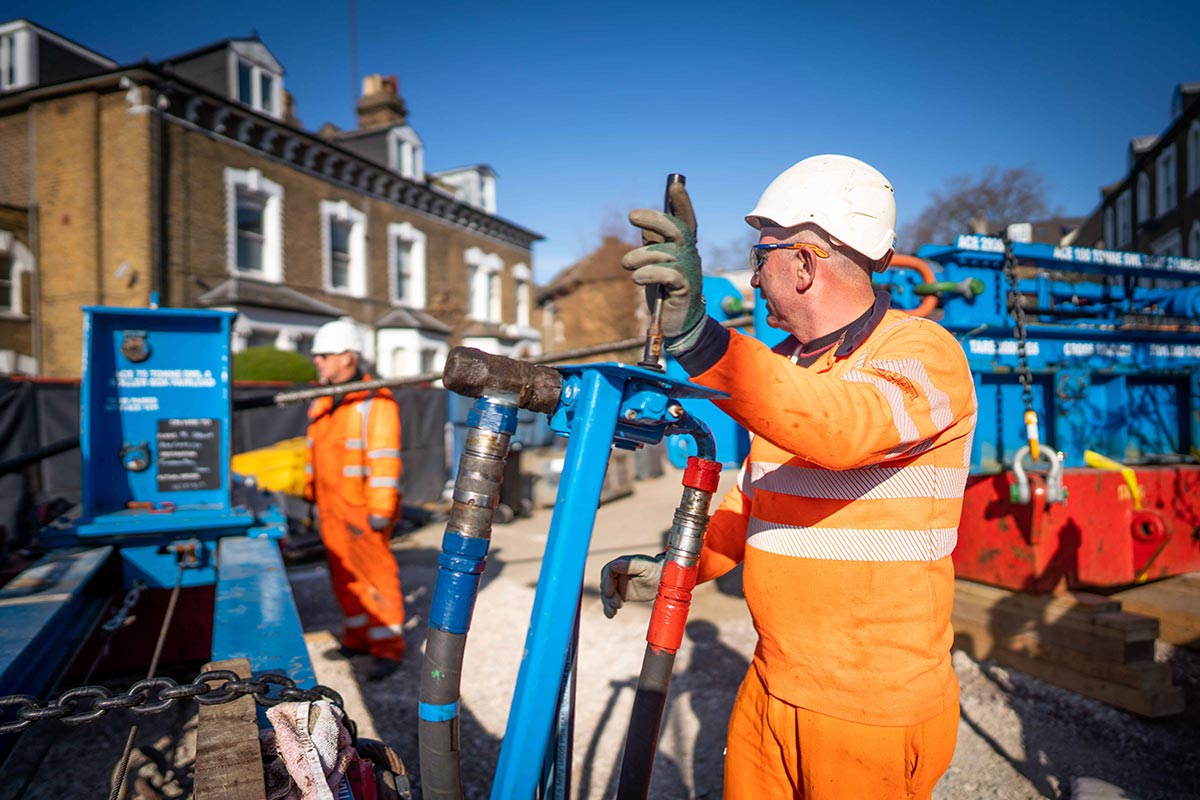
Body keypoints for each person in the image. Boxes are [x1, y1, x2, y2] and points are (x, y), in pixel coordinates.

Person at [600, 155, 977, 798]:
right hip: (774, 683)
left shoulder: (922, 354)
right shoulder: (789, 367)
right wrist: (678, 568)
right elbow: (757, 503)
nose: (752, 278)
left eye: (761, 255)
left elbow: (843, 429)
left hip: (870, 706)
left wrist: (700, 337)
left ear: (804, 263)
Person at [305, 318, 406, 681]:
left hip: (363, 509)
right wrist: (309, 493)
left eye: (324, 355)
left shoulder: (374, 399)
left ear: (348, 357)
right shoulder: (324, 396)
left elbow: (384, 458)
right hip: (331, 508)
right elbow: (314, 449)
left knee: (376, 577)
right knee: (345, 577)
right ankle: (358, 638)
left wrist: (380, 509)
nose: (317, 361)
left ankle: (388, 648)